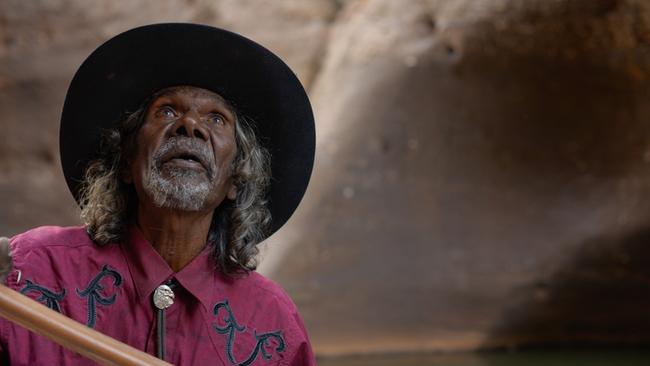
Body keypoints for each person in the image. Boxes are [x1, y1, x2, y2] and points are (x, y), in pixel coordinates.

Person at [0, 23, 316, 365]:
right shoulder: (32, 269)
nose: (190, 125)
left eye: (216, 119)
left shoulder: (273, 324)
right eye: (166, 111)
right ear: (125, 162)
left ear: (235, 182)